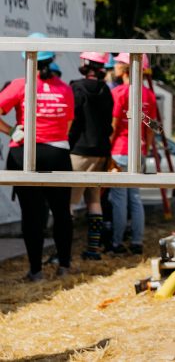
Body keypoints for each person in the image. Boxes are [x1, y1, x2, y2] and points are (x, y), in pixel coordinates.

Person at [0, 32, 76, 280]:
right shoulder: (64, 88)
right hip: (57, 153)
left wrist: (11, 129)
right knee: (61, 212)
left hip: (24, 152)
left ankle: (36, 271)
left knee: (32, 215)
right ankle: (64, 266)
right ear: (52, 59)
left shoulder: (20, 85)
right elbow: (67, 125)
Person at [108, 52, 158, 254]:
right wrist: (144, 148)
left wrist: (106, 152)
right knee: (135, 198)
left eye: (119, 62)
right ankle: (137, 242)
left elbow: (112, 126)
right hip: (139, 151)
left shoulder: (119, 93)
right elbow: (152, 127)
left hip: (120, 150)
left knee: (119, 199)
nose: (115, 66)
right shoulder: (148, 95)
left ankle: (117, 243)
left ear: (127, 68)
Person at [68, 51, 115, 260]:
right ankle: (93, 249)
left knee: (68, 203)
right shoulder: (107, 91)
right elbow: (108, 125)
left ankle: (65, 252)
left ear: (85, 63)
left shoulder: (76, 88)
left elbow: (73, 122)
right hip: (101, 152)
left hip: (79, 151)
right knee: (94, 200)